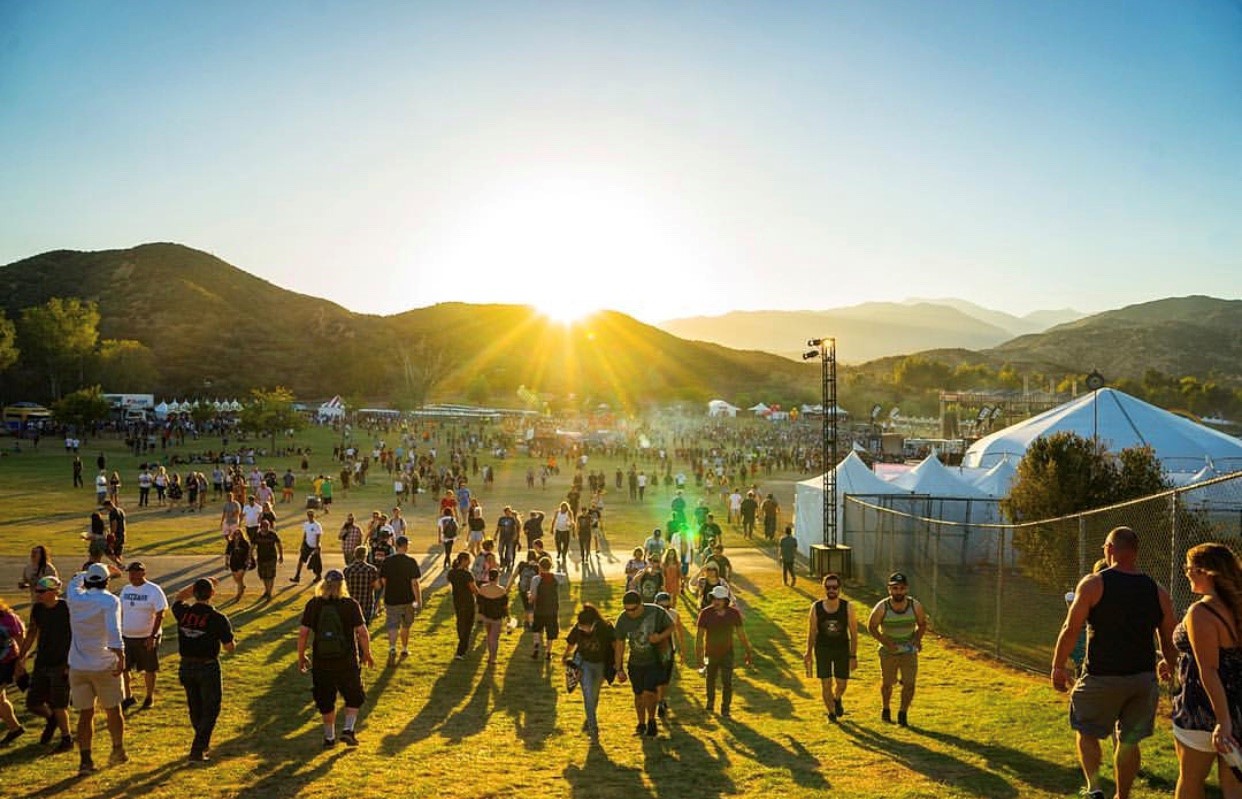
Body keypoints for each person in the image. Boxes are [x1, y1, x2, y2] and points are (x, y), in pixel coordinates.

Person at [1052, 526, 1178, 799]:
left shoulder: (1094, 583)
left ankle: (1095, 788)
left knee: (1086, 730)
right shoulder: (1157, 590)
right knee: (1129, 740)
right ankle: (1123, 795)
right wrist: (1170, 664)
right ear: (1134, 552)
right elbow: (1170, 637)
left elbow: (1070, 628)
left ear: (1110, 549)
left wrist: (1058, 666)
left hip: (1101, 676)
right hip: (1142, 680)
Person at [1171, 543, 1242, 799]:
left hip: (1203, 712)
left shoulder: (1202, 612)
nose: (1187, 572)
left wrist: (1223, 722)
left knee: (1190, 781)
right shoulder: (1236, 606)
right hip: (1238, 709)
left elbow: (1209, 670)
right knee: (1234, 785)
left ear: (1206, 572)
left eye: (1189, 567)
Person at [297, 569, 374, 748]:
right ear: (342, 585)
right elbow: (362, 632)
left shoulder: (314, 604)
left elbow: (303, 633)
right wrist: (367, 653)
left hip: (322, 660)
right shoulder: (350, 604)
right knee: (354, 695)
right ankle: (348, 729)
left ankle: (329, 737)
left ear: (323, 584)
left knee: (325, 698)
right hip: (347, 660)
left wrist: (301, 656)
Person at [65, 562, 127, 775]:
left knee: (85, 714)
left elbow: (73, 581)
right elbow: (113, 629)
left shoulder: (74, 597)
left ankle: (85, 760)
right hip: (103, 663)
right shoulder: (110, 601)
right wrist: (120, 655)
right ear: (107, 581)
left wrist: (85, 571)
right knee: (113, 709)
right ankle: (117, 749)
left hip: (78, 665)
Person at [171, 577, 235, 762]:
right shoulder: (217, 618)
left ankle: (201, 741)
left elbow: (178, 597)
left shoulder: (183, 613)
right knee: (211, 708)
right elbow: (229, 647)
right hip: (207, 666)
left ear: (194, 593)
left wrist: (195, 585)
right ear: (212, 594)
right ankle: (198, 748)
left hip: (186, 665)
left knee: (195, 706)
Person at [14, 576, 74, 752]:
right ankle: (51, 719)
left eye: (41, 591)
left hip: (61, 663)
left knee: (59, 704)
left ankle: (66, 738)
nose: (37, 594)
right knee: (33, 703)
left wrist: (70, 663)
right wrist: (21, 657)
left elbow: (77, 635)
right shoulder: (38, 609)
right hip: (42, 662)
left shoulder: (66, 608)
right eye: (36, 591)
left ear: (54, 591)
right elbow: (32, 633)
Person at [868, 571, 927, 727]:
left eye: (901, 588)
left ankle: (902, 713)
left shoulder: (915, 606)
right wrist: (886, 643)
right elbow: (872, 627)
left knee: (909, 683)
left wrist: (916, 639)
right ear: (889, 589)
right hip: (889, 651)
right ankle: (886, 708)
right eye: (894, 588)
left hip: (908, 650)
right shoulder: (882, 607)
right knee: (888, 683)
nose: (898, 591)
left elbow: (922, 624)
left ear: (906, 589)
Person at [614, 590, 673, 738]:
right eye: (627, 609)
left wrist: (659, 637)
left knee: (649, 693)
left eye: (633, 609)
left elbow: (671, 627)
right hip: (635, 662)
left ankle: (651, 720)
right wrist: (619, 668)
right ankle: (641, 723)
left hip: (653, 660)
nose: (630, 613)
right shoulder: (623, 619)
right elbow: (620, 644)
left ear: (641, 605)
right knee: (638, 695)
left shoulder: (656, 611)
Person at [805, 573, 858, 721]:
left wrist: (853, 656)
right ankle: (831, 713)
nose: (831, 590)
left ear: (840, 588)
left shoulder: (848, 607)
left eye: (835, 587)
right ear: (824, 588)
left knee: (841, 683)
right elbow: (812, 632)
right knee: (826, 683)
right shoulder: (816, 607)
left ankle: (837, 698)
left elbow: (854, 634)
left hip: (842, 649)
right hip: (823, 649)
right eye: (828, 587)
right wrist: (808, 652)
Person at [695, 584, 753, 718]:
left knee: (727, 681)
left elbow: (741, 634)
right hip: (710, 652)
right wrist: (699, 656)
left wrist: (748, 651)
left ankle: (725, 708)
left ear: (725, 601)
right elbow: (699, 636)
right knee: (710, 678)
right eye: (714, 598)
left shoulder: (734, 614)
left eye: (719, 599)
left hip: (727, 652)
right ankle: (710, 702)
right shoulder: (705, 613)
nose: (716, 601)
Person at [119, 561, 168, 711]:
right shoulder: (126, 590)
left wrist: (152, 636)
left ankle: (149, 696)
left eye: (136, 572)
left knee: (149, 668)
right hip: (127, 636)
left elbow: (160, 613)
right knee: (124, 668)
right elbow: (121, 610)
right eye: (130, 573)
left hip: (146, 636)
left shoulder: (154, 590)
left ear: (143, 573)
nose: (132, 575)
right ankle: (128, 696)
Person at [563, 604, 615, 741]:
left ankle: (590, 717)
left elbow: (615, 646)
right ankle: (593, 728)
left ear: (593, 624)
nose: (582, 629)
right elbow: (571, 643)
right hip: (584, 663)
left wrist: (617, 665)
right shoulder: (579, 628)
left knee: (594, 694)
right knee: (588, 694)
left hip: (601, 664)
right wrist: (565, 655)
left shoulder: (605, 629)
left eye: (585, 627)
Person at [379, 536, 422, 661]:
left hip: (391, 598)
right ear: (405, 546)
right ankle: (404, 648)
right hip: (407, 599)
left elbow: (383, 580)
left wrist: (390, 590)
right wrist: (418, 600)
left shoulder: (387, 561)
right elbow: (415, 583)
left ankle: (392, 647)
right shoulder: (411, 561)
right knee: (406, 625)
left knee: (392, 624)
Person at [654, 591, 687, 719]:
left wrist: (682, 651)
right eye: (662, 607)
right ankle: (659, 700)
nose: (665, 610)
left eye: (667, 607)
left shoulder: (673, 614)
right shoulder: (651, 616)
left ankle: (661, 700)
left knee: (665, 678)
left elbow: (680, 633)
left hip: (669, 650)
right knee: (657, 677)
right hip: (653, 651)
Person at [0, 598, 26, 745]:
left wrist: (20, 662)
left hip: (7, 662)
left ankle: (51, 715)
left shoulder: (8, 617)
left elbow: (21, 639)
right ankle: (15, 729)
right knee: (1, 699)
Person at [446, 552, 479, 660]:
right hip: (468, 601)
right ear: (464, 560)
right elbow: (473, 589)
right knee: (468, 625)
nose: (470, 562)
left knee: (460, 621)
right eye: (468, 560)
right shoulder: (467, 574)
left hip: (457, 600)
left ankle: (462, 642)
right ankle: (461, 649)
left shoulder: (451, 573)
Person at [477, 568, 513, 665]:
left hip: (486, 616)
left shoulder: (483, 588)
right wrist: (508, 617)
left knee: (489, 636)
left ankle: (490, 655)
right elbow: (505, 606)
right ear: (497, 577)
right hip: (497, 617)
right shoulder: (501, 590)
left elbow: (479, 602)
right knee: (494, 638)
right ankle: (493, 657)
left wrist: (479, 614)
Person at [529, 557, 561, 660]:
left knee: (537, 629)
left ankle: (536, 646)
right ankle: (548, 652)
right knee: (550, 631)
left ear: (540, 566)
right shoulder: (556, 578)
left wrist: (529, 598)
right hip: (552, 609)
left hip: (539, 609)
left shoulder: (536, 579)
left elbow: (533, 596)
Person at [344, 546, 380, 626]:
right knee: (364, 627)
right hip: (366, 603)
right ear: (365, 556)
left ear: (354, 555)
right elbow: (377, 586)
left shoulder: (348, 569)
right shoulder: (371, 569)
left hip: (351, 604)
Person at [252, 518, 284, 601]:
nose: (265, 528)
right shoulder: (257, 535)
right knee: (263, 576)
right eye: (263, 527)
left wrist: (281, 555)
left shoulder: (272, 534)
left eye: (266, 527)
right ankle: (267, 590)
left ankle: (269, 593)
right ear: (261, 527)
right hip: (261, 558)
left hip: (271, 558)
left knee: (270, 576)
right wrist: (249, 557)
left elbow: (279, 544)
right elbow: (252, 547)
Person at [290, 509, 324, 584]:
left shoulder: (317, 525)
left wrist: (317, 547)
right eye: (309, 515)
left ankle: (318, 576)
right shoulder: (306, 524)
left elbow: (318, 536)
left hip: (315, 546)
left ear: (313, 516)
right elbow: (305, 535)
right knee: (301, 560)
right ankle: (297, 576)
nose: (310, 517)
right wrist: (302, 544)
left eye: (311, 515)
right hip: (307, 545)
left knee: (316, 562)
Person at [224, 528, 252, 602]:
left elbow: (249, 553)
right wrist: (226, 562)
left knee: (239, 578)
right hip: (233, 563)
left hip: (242, 562)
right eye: (235, 534)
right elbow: (227, 553)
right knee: (236, 579)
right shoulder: (231, 543)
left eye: (238, 534)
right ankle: (242, 587)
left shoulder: (245, 543)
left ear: (241, 534)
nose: (237, 535)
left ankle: (238, 595)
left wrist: (248, 560)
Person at [552, 501, 574, 567]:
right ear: (561, 507)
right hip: (558, 530)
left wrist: (571, 525)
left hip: (565, 531)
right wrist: (552, 527)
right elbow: (554, 519)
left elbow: (572, 521)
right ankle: (559, 552)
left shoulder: (569, 512)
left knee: (566, 544)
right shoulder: (557, 512)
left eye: (565, 507)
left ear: (567, 507)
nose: (563, 508)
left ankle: (564, 555)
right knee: (557, 542)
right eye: (562, 507)